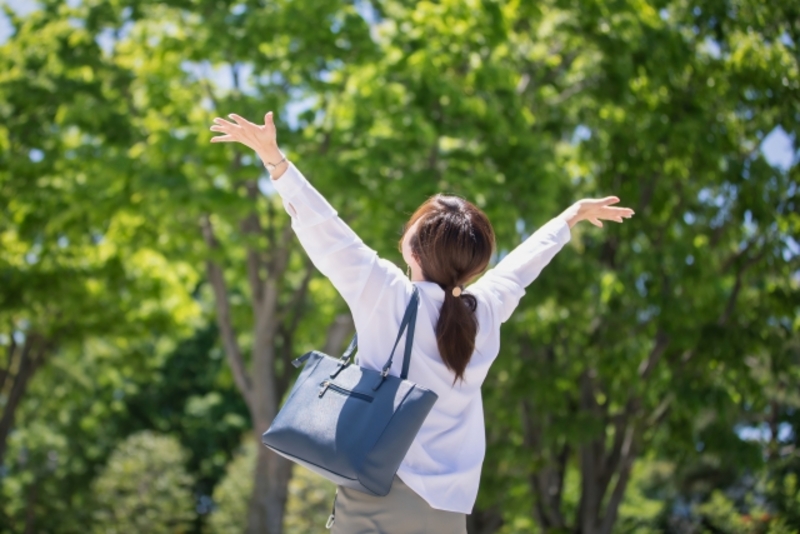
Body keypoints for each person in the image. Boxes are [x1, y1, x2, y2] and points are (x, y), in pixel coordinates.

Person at [210, 112, 634, 533]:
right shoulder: (483, 311)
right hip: (448, 512)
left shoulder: (389, 295)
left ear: (413, 248)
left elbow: (328, 233)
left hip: (377, 493)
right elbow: (520, 268)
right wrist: (569, 218)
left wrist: (274, 160)